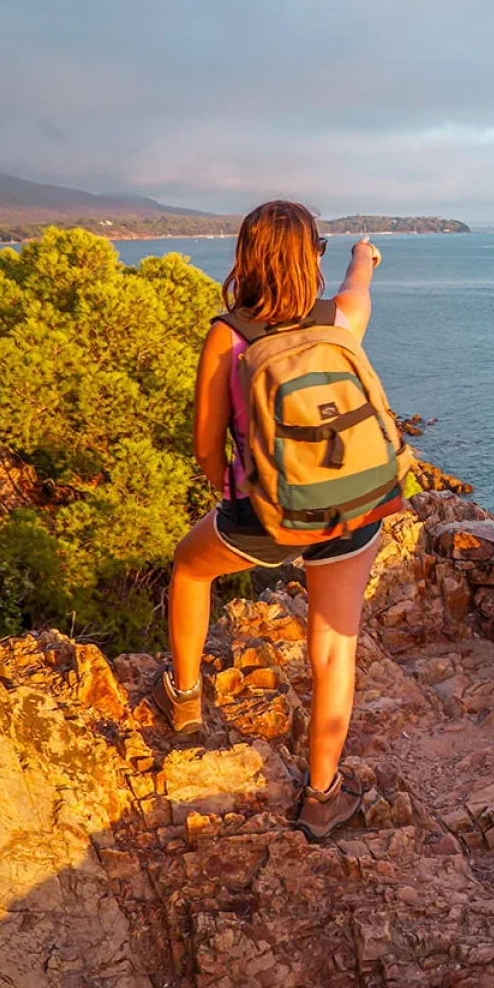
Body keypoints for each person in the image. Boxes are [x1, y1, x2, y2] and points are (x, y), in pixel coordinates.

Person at [163, 200, 391, 841]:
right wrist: (362, 257)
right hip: (351, 507)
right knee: (332, 649)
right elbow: (358, 286)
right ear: (312, 255)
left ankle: (183, 699)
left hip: (263, 515)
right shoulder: (342, 319)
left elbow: (207, 445)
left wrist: (237, 493)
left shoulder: (228, 335)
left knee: (189, 566)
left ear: (246, 258)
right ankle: (322, 796)